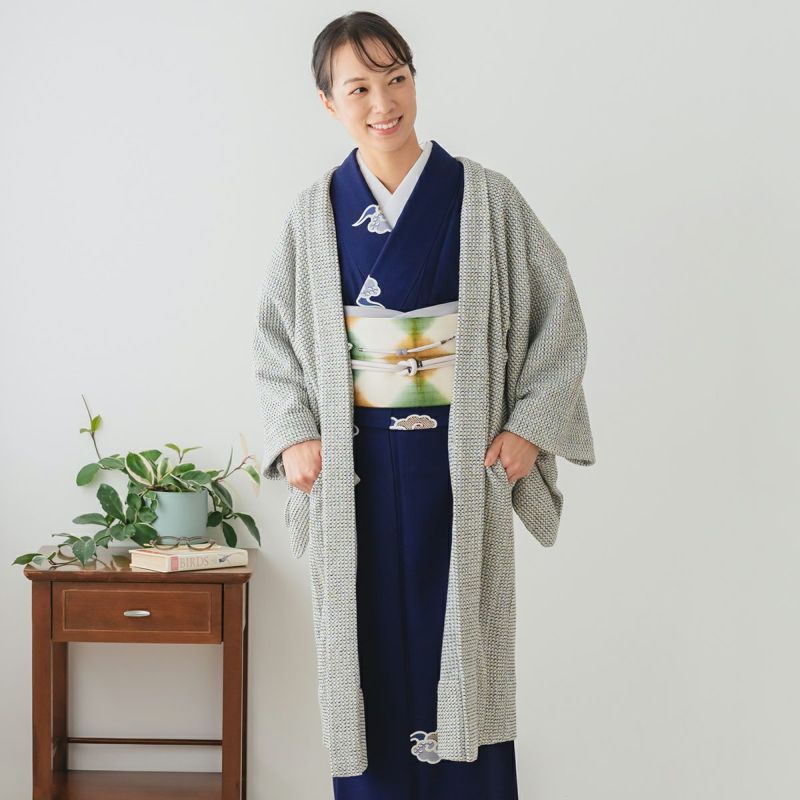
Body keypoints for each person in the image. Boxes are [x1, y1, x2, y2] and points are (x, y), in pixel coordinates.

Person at [252, 10, 596, 796]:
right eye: (359, 88)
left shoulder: (486, 200)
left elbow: (559, 319)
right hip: (358, 471)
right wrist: (296, 432)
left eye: (397, 79)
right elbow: (272, 340)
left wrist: (529, 427)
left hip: (459, 463)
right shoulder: (313, 214)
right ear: (328, 102)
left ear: (414, 80)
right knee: (363, 655)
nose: (384, 103)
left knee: (464, 650)